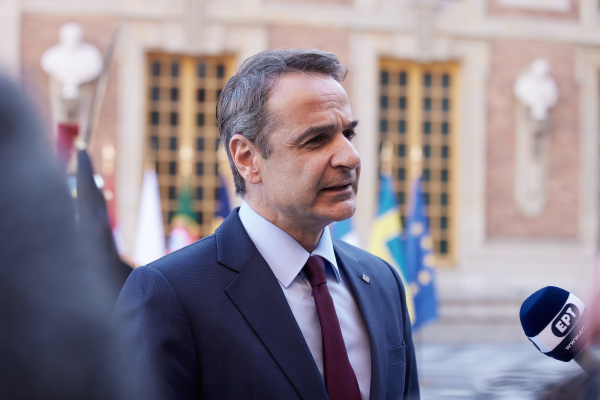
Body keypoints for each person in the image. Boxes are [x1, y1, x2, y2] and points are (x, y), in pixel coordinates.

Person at [115, 48, 419, 400]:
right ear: (247, 158)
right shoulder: (169, 294)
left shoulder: (382, 280)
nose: (350, 157)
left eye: (348, 134)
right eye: (316, 139)